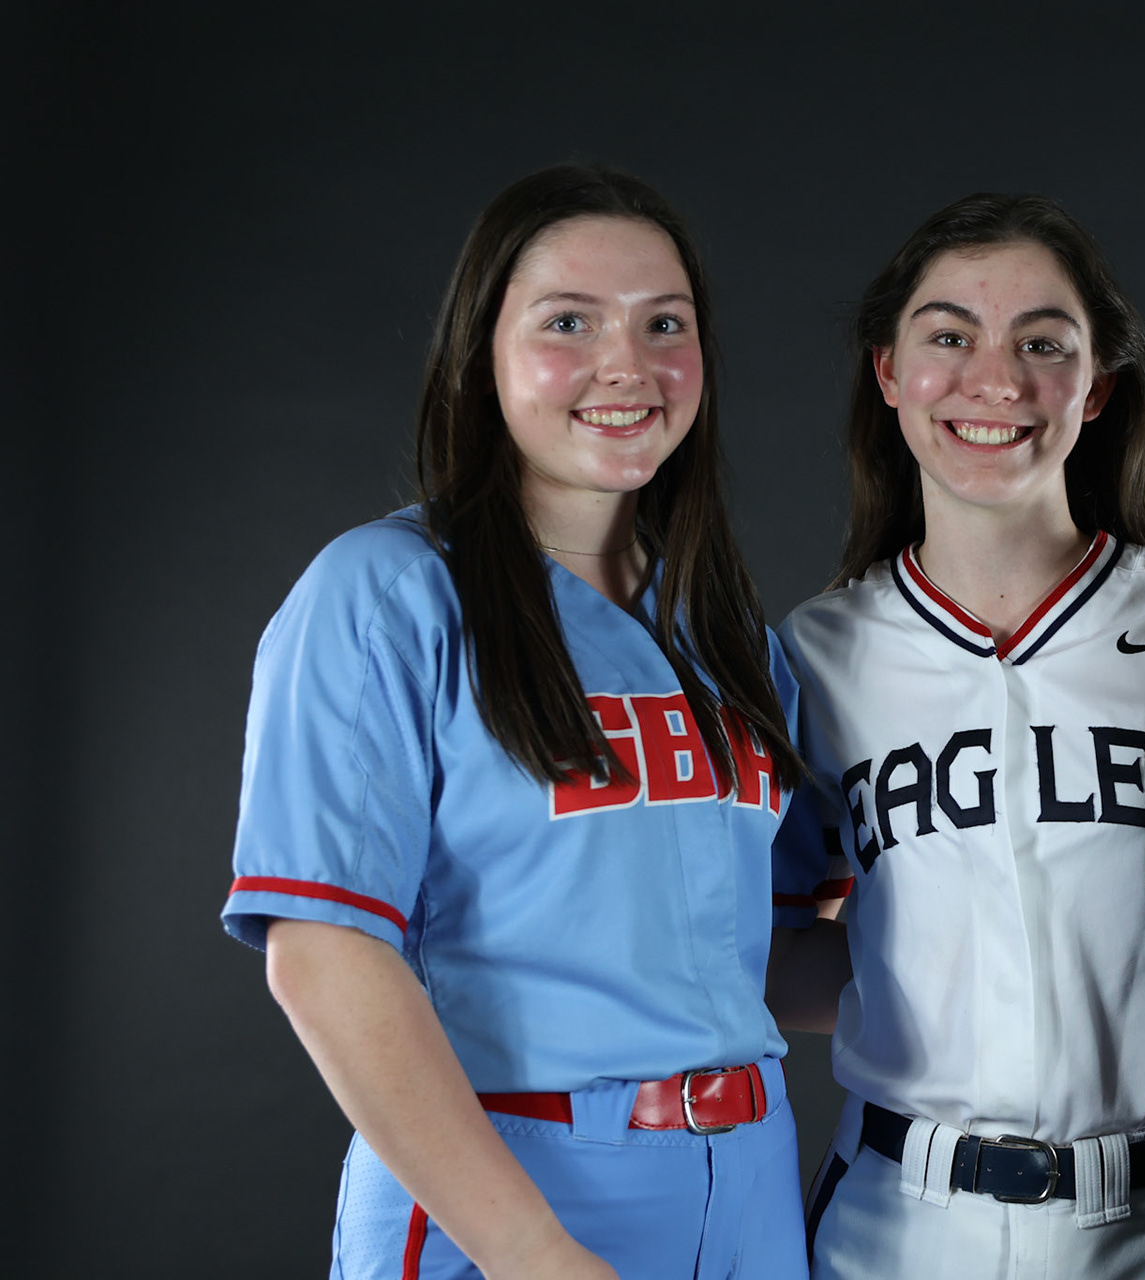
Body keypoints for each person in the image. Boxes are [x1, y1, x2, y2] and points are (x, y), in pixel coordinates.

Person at [221, 164, 809, 1280]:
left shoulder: (725, 624)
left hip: (750, 1179)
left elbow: (751, 954)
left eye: (664, 323)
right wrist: (531, 1249)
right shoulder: (384, 593)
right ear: (481, 353)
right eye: (568, 322)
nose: (626, 364)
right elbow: (324, 951)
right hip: (514, 1184)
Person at [765, 194, 1145, 1280]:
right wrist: (922, 977)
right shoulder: (815, 653)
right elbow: (773, 953)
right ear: (888, 372)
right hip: (902, 1217)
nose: (996, 380)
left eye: (1043, 343)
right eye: (948, 336)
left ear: (1096, 384)